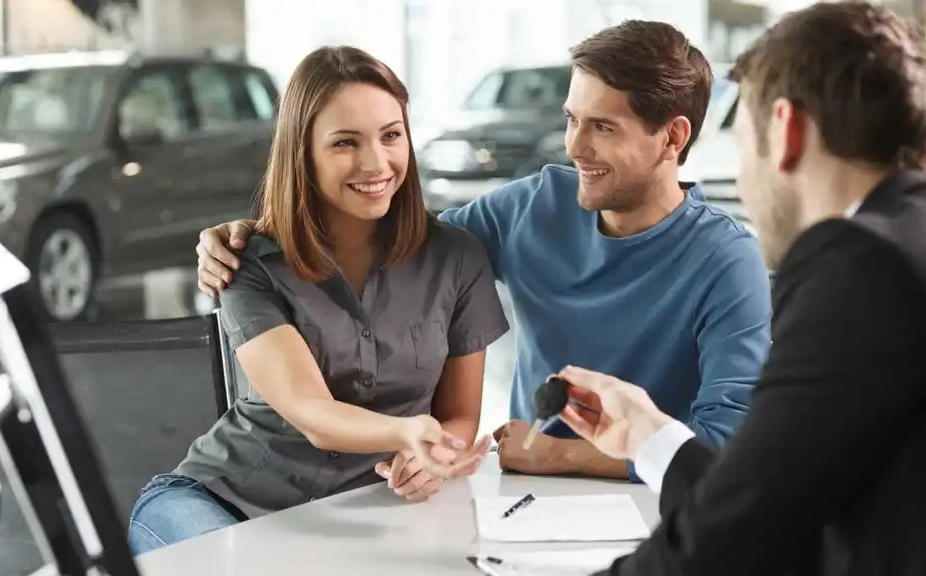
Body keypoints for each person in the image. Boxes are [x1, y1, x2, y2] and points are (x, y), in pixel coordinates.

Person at [194, 21, 773, 483]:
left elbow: (726, 446)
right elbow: (391, 236)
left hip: (657, 508)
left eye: (603, 127)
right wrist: (255, 233)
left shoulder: (726, 260)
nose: (575, 146)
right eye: (572, 119)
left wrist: (559, 456)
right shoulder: (529, 208)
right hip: (525, 498)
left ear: (673, 137)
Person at [552, 3, 926, 574]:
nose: (746, 184)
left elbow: (736, 540)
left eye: (744, 142)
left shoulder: (861, 267)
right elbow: (784, 494)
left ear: (785, 130)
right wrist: (652, 438)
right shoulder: (906, 239)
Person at [127, 46, 508, 555]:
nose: (376, 162)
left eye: (391, 136)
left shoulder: (456, 258)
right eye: (345, 143)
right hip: (219, 502)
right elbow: (310, 411)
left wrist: (433, 457)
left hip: (363, 514)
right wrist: (410, 431)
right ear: (301, 152)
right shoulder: (248, 263)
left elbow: (459, 416)